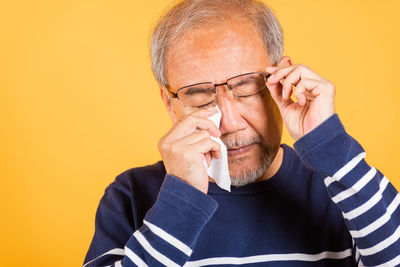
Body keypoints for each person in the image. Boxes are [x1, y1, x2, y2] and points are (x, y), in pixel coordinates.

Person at [83, 0, 400, 266]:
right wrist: (181, 202)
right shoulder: (130, 196)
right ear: (170, 103)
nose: (230, 123)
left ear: (283, 78)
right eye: (198, 94)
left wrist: (330, 145)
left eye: (247, 85)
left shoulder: (346, 187)